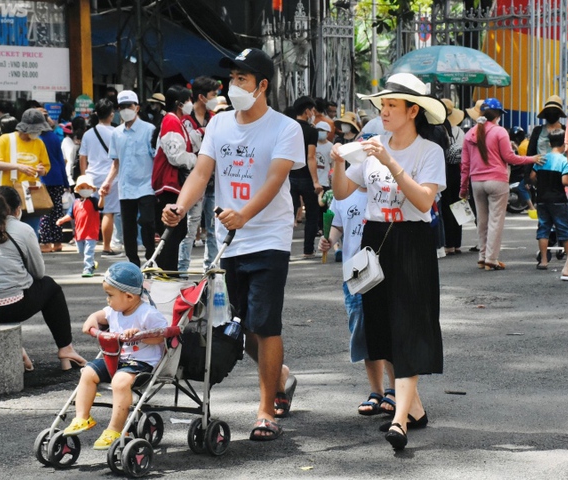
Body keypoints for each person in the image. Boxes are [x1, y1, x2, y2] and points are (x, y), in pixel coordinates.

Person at [162, 47, 303, 441]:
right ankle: (283, 377)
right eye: (231, 78)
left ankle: (265, 410)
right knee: (239, 330)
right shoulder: (219, 125)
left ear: (262, 86)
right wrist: (179, 205)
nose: (234, 85)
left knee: (265, 323)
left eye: (242, 79)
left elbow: (275, 181)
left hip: (268, 238)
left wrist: (245, 215)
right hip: (228, 243)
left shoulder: (285, 128)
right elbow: (201, 173)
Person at [331, 72, 447, 450]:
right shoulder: (372, 145)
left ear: (413, 111)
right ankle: (414, 410)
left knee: (410, 326)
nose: (384, 111)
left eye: (392, 105)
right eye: (382, 104)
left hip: (412, 240)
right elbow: (344, 190)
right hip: (374, 240)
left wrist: (391, 162)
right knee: (382, 328)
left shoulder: (429, 151)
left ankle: (399, 419)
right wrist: (336, 162)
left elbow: (425, 203)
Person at [0, 186, 86, 371]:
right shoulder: (23, 229)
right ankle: (65, 348)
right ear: (17, 208)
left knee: (7, 288)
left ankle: (15, 347)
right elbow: (38, 273)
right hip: (10, 307)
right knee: (50, 287)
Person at [63, 262, 167, 450]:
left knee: (119, 381)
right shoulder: (114, 310)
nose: (107, 299)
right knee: (87, 372)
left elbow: (162, 336)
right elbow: (99, 315)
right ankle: (82, 417)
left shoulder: (147, 314)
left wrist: (142, 334)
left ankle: (116, 429)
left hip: (141, 363)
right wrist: (92, 321)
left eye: (110, 295)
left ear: (129, 296)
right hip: (117, 359)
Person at [317, 186, 396, 417]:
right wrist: (329, 240)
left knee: (386, 328)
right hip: (354, 272)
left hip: (383, 267)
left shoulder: (383, 188)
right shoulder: (343, 193)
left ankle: (394, 389)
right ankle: (376, 391)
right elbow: (337, 224)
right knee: (362, 330)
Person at [460, 98, 543, 270]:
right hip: (497, 181)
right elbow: (509, 157)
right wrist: (532, 159)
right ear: (497, 115)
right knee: (495, 221)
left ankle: (482, 256)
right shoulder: (500, 132)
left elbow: (465, 165)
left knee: (482, 221)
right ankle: (491, 259)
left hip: (476, 182)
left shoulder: (470, 134)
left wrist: (463, 187)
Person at [100, 90, 157, 267]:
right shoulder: (116, 134)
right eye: (122, 107)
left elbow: (156, 158)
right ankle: (132, 262)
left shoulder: (150, 130)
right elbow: (116, 162)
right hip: (126, 187)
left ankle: (151, 256)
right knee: (128, 228)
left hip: (147, 185)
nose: (126, 110)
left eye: (129, 106)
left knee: (147, 221)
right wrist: (107, 182)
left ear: (137, 107)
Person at [152, 85, 197, 271]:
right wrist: (197, 160)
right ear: (179, 104)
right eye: (188, 100)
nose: (190, 104)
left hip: (173, 184)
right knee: (172, 230)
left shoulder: (177, 121)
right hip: (168, 184)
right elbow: (176, 156)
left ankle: (169, 271)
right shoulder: (171, 121)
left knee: (177, 230)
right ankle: (167, 272)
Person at [178, 76, 220, 272]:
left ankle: (210, 269)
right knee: (190, 229)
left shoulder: (215, 119)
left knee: (213, 229)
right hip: (194, 181)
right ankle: (182, 270)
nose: (217, 97)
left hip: (215, 182)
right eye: (214, 94)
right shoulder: (185, 122)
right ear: (202, 97)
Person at [0, 108, 52, 234]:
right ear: (26, 128)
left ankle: (28, 253)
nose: (39, 132)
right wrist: (18, 167)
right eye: (36, 129)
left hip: (32, 194)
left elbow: (46, 168)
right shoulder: (6, 139)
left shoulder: (39, 143)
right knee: (6, 231)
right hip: (7, 193)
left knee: (31, 232)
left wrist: (41, 171)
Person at [80, 98, 122, 256]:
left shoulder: (88, 134)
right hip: (111, 178)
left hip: (91, 177)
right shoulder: (116, 133)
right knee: (108, 213)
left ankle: (86, 244)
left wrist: (83, 177)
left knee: (89, 212)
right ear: (112, 114)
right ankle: (106, 246)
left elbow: (82, 157)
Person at [529, 129, 568, 270]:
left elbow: (532, 177)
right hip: (558, 200)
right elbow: (565, 181)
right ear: (562, 144)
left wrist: (539, 186)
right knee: (564, 230)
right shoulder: (563, 160)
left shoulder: (542, 158)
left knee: (543, 229)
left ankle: (544, 261)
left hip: (542, 199)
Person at [290, 96, 321, 258]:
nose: (313, 114)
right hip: (306, 178)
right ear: (307, 111)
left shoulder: (287, 127)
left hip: (289, 175)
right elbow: (311, 157)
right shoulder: (311, 130)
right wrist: (316, 181)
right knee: (312, 214)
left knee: (288, 213)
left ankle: (283, 249)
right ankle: (308, 250)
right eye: (312, 110)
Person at [57, 175, 105, 277]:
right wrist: (62, 220)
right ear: (78, 189)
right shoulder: (75, 203)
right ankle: (91, 263)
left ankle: (87, 269)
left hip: (91, 232)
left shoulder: (94, 201)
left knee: (88, 251)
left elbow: (100, 206)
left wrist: (102, 196)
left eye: (88, 187)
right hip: (79, 233)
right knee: (82, 252)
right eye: (83, 188)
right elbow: (70, 215)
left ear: (92, 189)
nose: (85, 190)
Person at [38, 118, 70, 253]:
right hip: (57, 177)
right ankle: (57, 243)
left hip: (43, 178)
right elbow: (61, 161)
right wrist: (66, 181)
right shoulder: (55, 138)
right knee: (57, 211)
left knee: (44, 211)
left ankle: (45, 243)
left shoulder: (37, 139)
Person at [440, 98, 466, 255]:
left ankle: (448, 244)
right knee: (458, 205)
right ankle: (457, 243)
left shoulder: (438, 129)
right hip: (456, 170)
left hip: (443, 169)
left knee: (445, 206)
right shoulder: (458, 131)